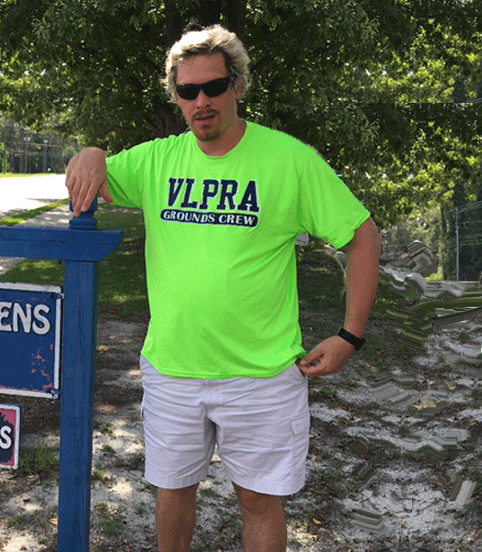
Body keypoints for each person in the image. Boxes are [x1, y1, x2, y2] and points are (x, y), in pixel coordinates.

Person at [65, 25, 382, 552]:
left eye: (213, 87)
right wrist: (92, 151)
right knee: (172, 494)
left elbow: (362, 235)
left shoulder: (289, 160)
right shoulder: (156, 161)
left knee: (258, 502)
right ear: (176, 98)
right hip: (173, 369)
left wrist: (350, 336)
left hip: (261, 375)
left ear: (237, 86)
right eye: (188, 92)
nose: (202, 101)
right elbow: (87, 177)